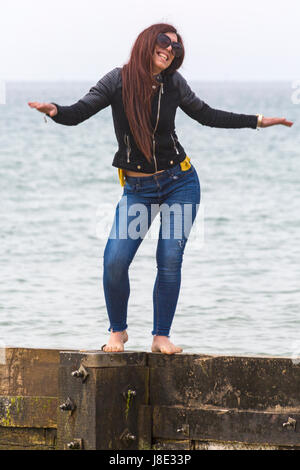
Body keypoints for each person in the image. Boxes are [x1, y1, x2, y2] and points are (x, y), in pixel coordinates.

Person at [28, 23, 293, 355]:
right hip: (138, 190)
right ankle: (118, 331)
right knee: (115, 260)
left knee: (169, 258)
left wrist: (256, 121)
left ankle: (161, 336)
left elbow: (207, 115)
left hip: (180, 183)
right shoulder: (117, 80)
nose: (170, 49)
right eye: (164, 41)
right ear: (147, 42)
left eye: (176, 47)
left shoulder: (174, 84)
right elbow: (80, 111)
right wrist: (56, 111)